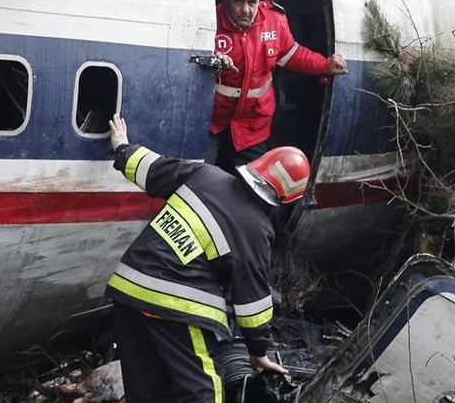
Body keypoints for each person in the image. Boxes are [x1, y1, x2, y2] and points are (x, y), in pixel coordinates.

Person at [104, 113, 308, 403]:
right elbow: (252, 303)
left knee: (145, 390)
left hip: (128, 289)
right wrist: (258, 352)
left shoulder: (205, 174)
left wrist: (122, 147)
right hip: (177, 304)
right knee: (203, 391)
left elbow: (151, 168)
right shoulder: (257, 229)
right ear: (285, 199)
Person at [208, 0, 348, 173]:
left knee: (250, 189)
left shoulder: (274, 21)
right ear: (226, 0)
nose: (246, 9)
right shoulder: (209, 20)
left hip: (252, 125)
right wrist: (213, 60)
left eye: (251, 2)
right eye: (239, 1)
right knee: (199, 180)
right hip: (212, 122)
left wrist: (324, 65)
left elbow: (293, 55)